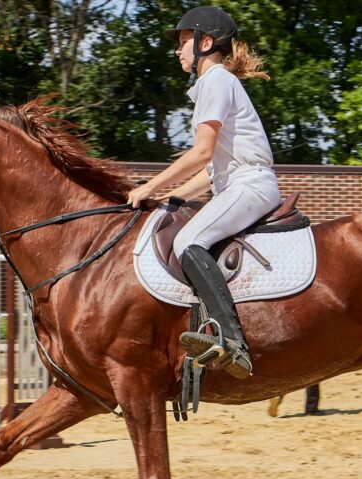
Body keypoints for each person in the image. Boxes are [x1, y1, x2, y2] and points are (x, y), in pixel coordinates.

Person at [128, 6, 281, 379]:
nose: (178, 51)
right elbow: (212, 174)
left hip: (250, 183)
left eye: (183, 43)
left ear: (205, 43)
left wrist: (148, 185)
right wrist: (173, 197)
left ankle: (232, 341)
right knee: (186, 228)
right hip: (237, 182)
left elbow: (201, 153)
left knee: (187, 242)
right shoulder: (215, 84)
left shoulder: (215, 80)